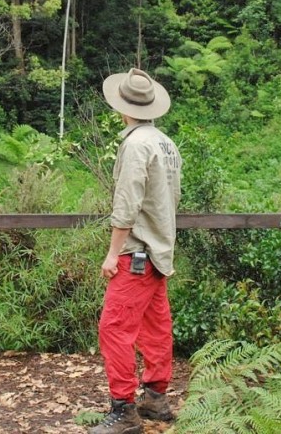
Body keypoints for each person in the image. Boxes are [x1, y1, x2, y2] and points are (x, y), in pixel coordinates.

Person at [90, 68, 183, 434]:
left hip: (138, 253)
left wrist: (113, 253)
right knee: (155, 324)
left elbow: (127, 204)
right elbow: (169, 200)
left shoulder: (135, 145)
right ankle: (156, 398)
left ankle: (124, 410)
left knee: (113, 328)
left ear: (122, 107)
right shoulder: (165, 142)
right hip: (160, 250)